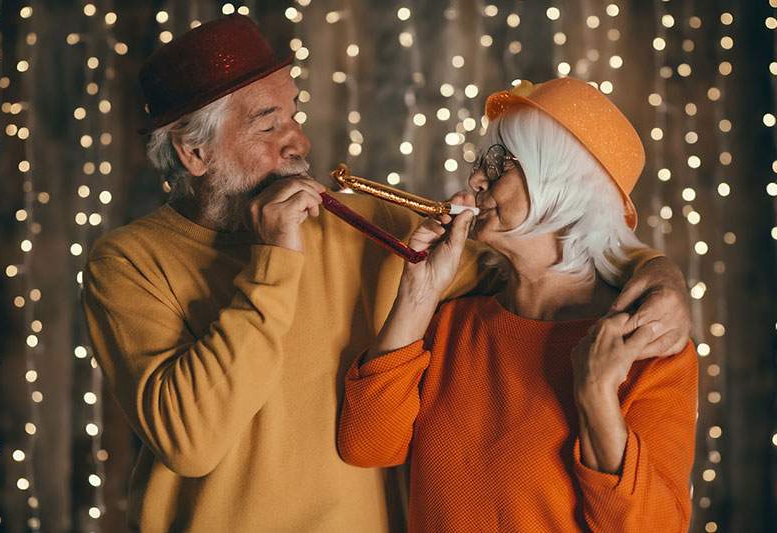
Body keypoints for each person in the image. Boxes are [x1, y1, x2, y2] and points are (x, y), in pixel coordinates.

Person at [82, 15, 691, 533]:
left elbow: (542, 259)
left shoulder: (361, 224)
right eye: (267, 125)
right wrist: (275, 259)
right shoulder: (129, 263)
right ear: (195, 154)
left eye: (293, 115)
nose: (297, 142)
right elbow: (191, 441)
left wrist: (655, 274)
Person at [337, 78, 698, 533]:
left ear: (562, 179)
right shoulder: (450, 321)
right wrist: (419, 291)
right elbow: (366, 446)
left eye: (498, 163)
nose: (475, 179)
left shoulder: (647, 346)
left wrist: (597, 395)